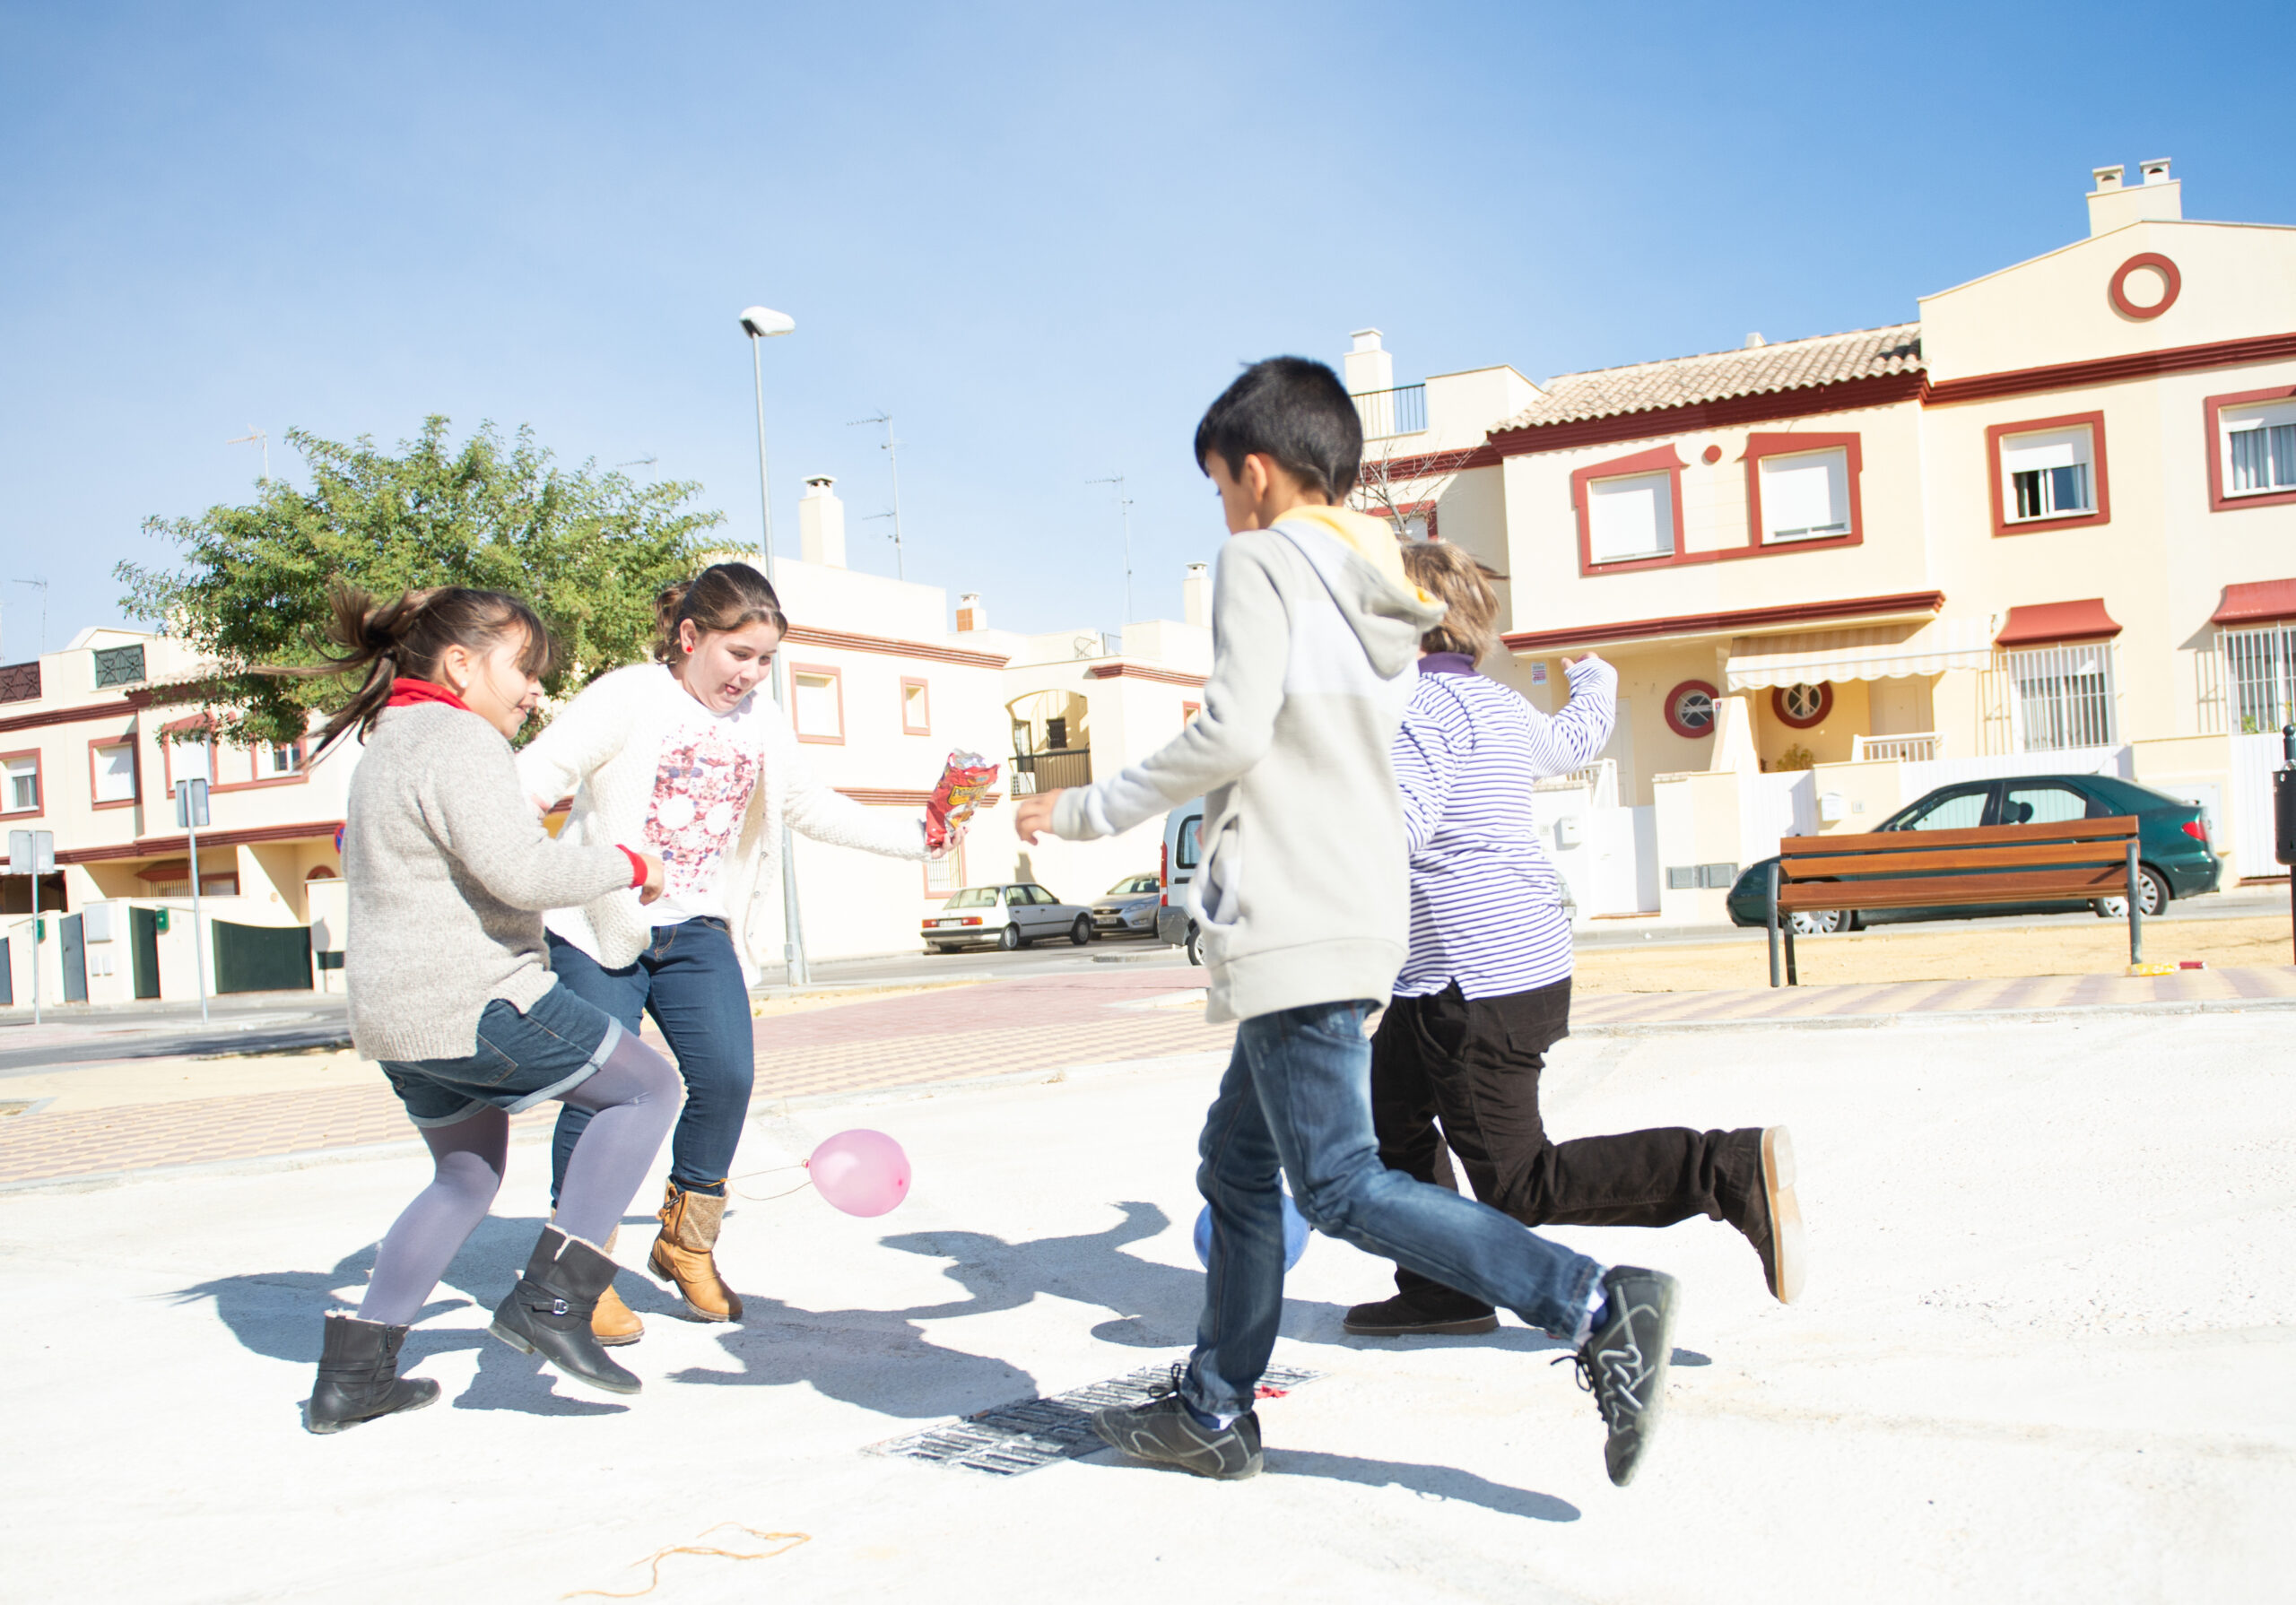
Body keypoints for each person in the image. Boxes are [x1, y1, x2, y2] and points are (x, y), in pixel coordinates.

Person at [1014, 357, 1683, 1488]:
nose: (1223, 510)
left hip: (1291, 905)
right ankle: (1214, 1406)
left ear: (1260, 473)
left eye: (1222, 485)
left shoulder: (1262, 557)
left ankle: (1589, 1300)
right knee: (1235, 1162)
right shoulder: (1377, 580)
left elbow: (1230, 732)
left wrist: (1085, 806)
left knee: (1335, 1181)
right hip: (1354, 907)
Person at [1344, 543, 1806, 1341]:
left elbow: (1394, 833)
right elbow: (1576, 739)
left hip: (1474, 983)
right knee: (1395, 1124)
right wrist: (1592, 669)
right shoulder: (1494, 705)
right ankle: (1442, 1285)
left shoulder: (1416, 713)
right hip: (1483, 972)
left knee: (1521, 1183)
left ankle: (1723, 1170)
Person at [515, 561, 942, 1340]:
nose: (750, 675)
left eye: (765, 660)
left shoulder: (761, 723)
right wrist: (484, 837)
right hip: (600, 925)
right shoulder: (631, 695)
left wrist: (920, 838)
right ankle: (577, 1262)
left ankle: (686, 1242)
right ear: (690, 636)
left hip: (700, 927)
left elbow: (808, 804)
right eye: (737, 655)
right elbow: (541, 770)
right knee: (600, 1091)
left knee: (727, 1076)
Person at [299, 585, 683, 1434]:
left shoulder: (387, 744)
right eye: (526, 670)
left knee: (464, 1177)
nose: (536, 690)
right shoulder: (460, 739)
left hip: (398, 1019)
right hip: (476, 998)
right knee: (648, 1089)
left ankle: (354, 1376)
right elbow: (524, 875)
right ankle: (552, 1303)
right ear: (461, 663)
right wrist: (627, 863)